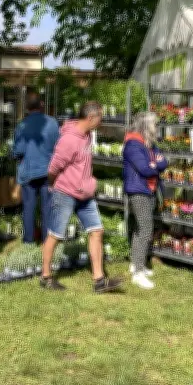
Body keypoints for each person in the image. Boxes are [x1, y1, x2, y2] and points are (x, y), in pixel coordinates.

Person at [41, 101, 122, 294]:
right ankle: (45, 276)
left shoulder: (87, 135)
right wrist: (54, 185)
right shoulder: (69, 140)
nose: (102, 121)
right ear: (91, 118)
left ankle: (99, 281)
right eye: (100, 117)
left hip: (85, 194)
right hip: (65, 193)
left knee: (97, 231)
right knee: (55, 235)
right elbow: (53, 168)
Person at [123, 112, 167, 290]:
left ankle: (135, 263)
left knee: (139, 228)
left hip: (149, 189)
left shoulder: (149, 144)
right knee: (146, 229)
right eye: (154, 125)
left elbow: (164, 162)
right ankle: (138, 273)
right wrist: (155, 165)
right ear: (145, 126)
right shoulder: (133, 145)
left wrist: (155, 165)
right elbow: (144, 169)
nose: (157, 128)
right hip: (138, 190)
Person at [13, 92, 60, 243]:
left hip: (28, 171)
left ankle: (28, 241)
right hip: (48, 171)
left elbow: (18, 151)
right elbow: (59, 147)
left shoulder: (22, 125)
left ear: (27, 107)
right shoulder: (52, 123)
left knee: (28, 207)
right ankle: (47, 241)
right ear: (42, 105)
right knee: (48, 207)